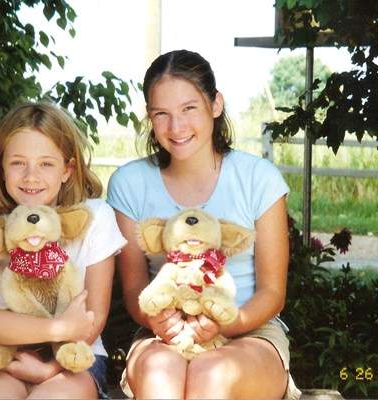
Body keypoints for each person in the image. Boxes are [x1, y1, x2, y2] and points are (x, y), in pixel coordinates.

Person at [106, 49, 302, 399]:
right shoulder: (129, 183)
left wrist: (229, 321)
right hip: (162, 334)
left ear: (215, 105)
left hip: (249, 331)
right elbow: (134, 289)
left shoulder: (259, 178)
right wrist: (157, 322)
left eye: (189, 109)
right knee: (159, 377)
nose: (176, 127)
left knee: (211, 375)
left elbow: (273, 293)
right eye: (161, 114)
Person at [0, 101, 127, 399]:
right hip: (5, 354)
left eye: (46, 164)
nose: (31, 176)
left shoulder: (95, 217)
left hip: (76, 359)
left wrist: (51, 369)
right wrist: (56, 327)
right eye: (17, 163)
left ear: (68, 169)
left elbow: (92, 316)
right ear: (1, 168)